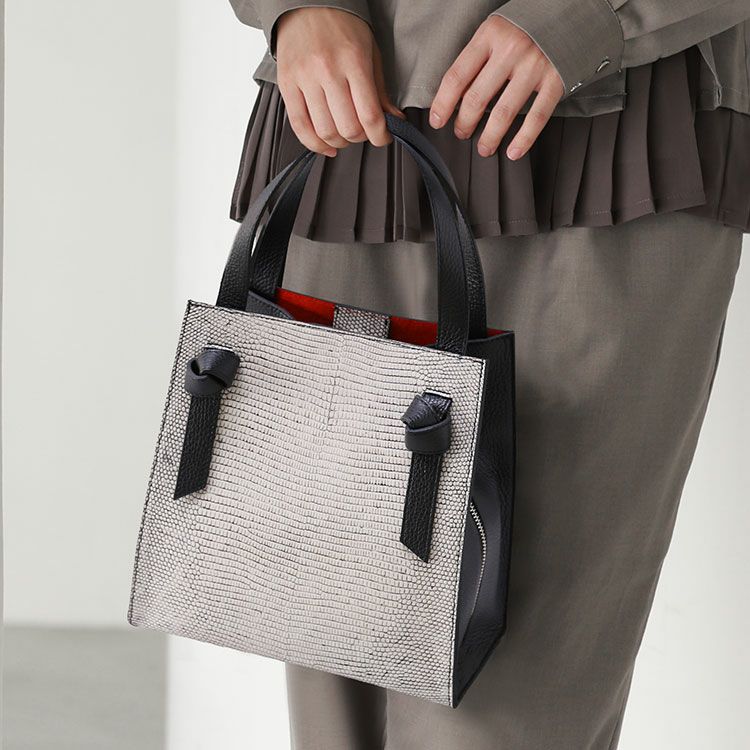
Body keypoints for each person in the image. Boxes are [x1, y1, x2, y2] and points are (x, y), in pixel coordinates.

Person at [228, 2, 750, 748]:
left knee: (505, 702)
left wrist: (582, 14)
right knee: (331, 673)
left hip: (598, 135)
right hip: (340, 124)